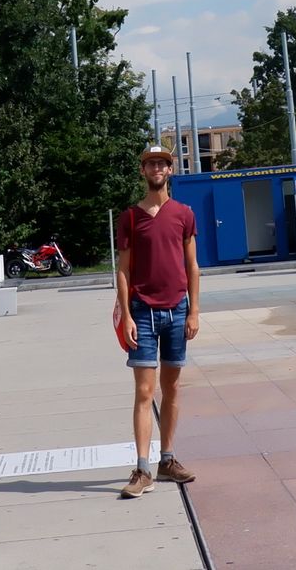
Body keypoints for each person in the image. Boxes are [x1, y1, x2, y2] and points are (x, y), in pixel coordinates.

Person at [113, 143, 200, 499]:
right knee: (144, 392)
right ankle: (142, 468)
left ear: (170, 170)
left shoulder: (184, 214)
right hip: (143, 312)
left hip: (177, 309)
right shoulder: (131, 217)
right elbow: (122, 270)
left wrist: (194, 310)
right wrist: (127, 314)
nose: (156, 169)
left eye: (162, 164)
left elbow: (192, 265)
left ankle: (167, 460)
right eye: (150, 164)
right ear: (142, 171)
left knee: (173, 388)